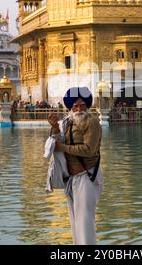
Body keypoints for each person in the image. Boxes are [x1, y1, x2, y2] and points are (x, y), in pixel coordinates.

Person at [47, 87, 103, 245]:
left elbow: (88, 150)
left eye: (82, 106)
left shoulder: (91, 122)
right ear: (71, 108)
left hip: (88, 177)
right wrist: (55, 127)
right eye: (75, 106)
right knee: (75, 223)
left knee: (85, 223)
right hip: (71, 179)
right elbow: (56, 141)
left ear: (87, 107)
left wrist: (61, 147)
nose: (78, 109)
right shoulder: (67, 122)